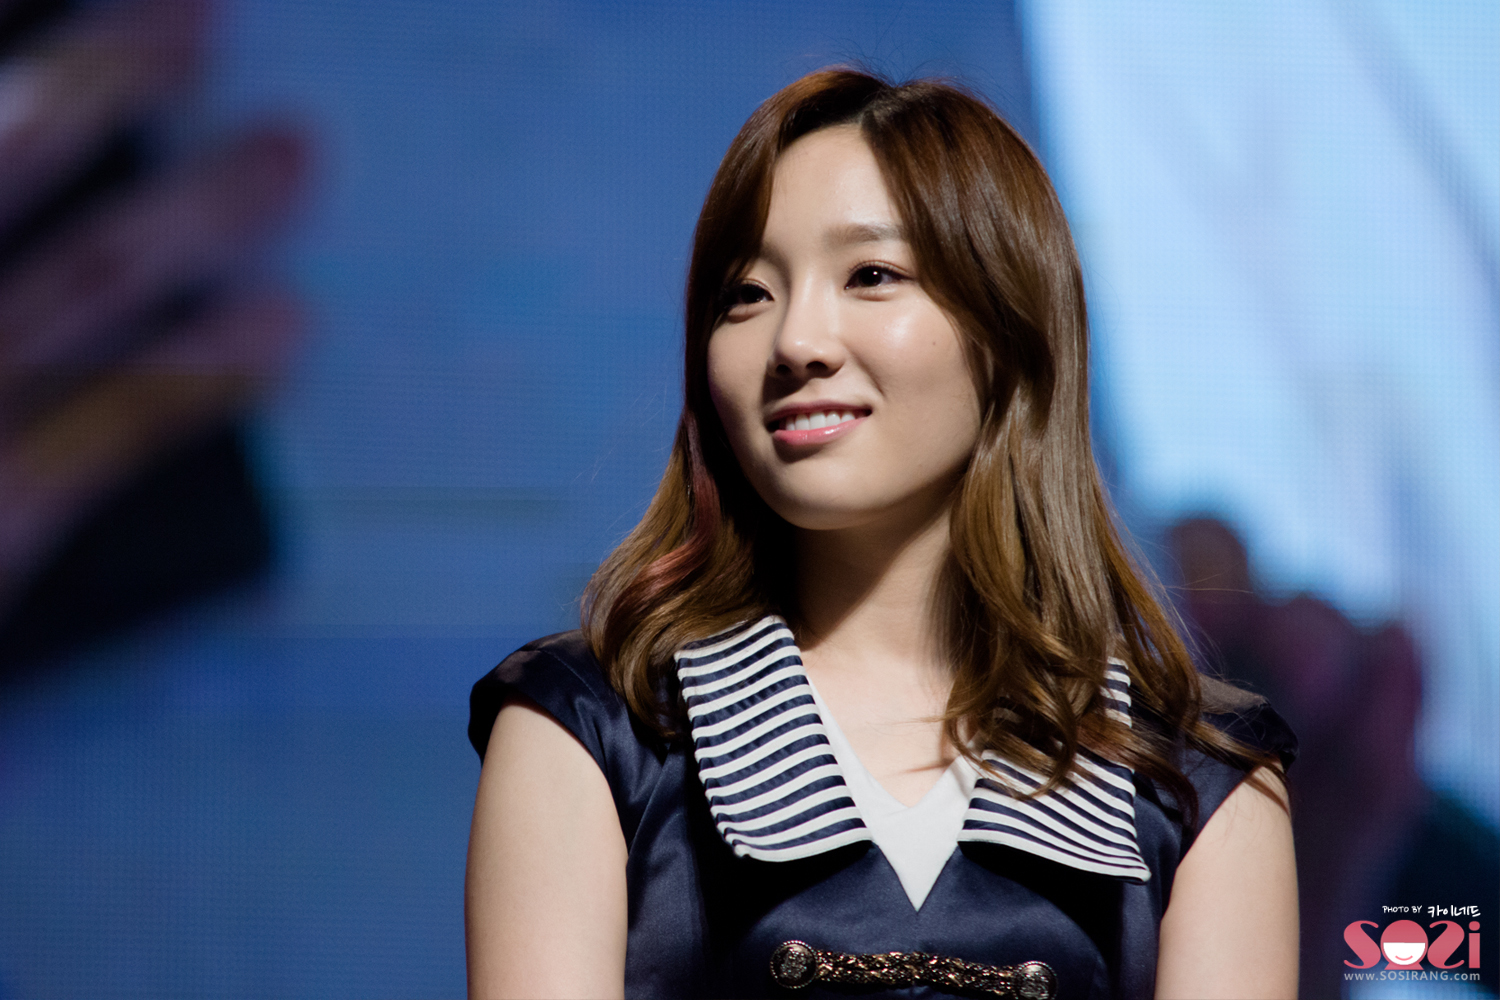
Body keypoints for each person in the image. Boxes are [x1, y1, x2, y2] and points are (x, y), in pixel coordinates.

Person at [466, 69, 1298, 1000]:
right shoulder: (591, 730)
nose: (795, 342)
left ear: (1009, 330)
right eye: (746, 293)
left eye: (871, 276)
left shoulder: (1200, 781)